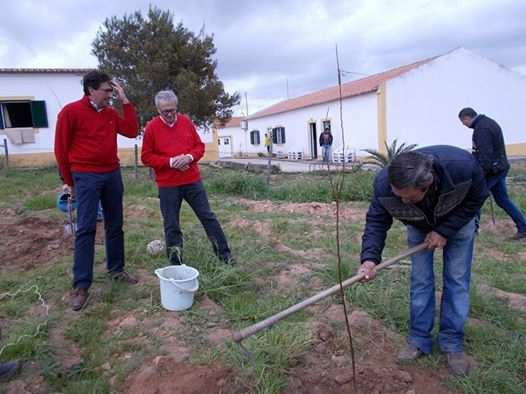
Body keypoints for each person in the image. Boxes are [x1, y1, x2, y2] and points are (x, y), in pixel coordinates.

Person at [358, 146, 488, 376]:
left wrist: (445, 230)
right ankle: (419, 339)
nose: (403, 201)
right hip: (419, 226)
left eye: (408, 197)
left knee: (456, 280)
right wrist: (369, 259)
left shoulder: (462, 167)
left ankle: (452, 343)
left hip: (459, 222)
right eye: (398, 196)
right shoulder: (383, 185)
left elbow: (477, 197)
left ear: (426, 186)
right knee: (421, 280)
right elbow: (377, 222)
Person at [54, 70, 139, 311]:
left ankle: (116, 270)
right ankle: (81, 285)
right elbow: (61, 149)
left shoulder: (111, 113)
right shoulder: (70, 112)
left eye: (112, 90)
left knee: (115, 224)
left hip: (112, 174)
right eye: (107, 90)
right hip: (86, 176)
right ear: (91, 90)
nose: (110, 94)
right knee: (86, 228)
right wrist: (69, 181)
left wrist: (126, 101)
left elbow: (132, 131)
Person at [141, 90, 234, 265]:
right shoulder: (152, 128)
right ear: (158, 109)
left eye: (172, 110)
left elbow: (199, 147)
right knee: (171, 225)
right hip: (168, 185)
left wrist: (189, 158)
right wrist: (170, 162)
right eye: (164, 111)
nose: (169, 114)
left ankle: (225, 257)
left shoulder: (186, 122)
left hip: (192, 181)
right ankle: (176, 264)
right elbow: (146, 157)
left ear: (176, 107)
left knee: (208, 217)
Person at [459, 107, 526, 240]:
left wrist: (479, 176)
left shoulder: (482, 129)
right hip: (498, 168)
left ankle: (473, 231)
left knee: (476, 197)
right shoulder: (487, 123)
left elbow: (485, 156)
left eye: (463, 122)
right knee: (502, 200)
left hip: (492, 171)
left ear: (466, 118)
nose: (464, 125)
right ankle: (524, 228)